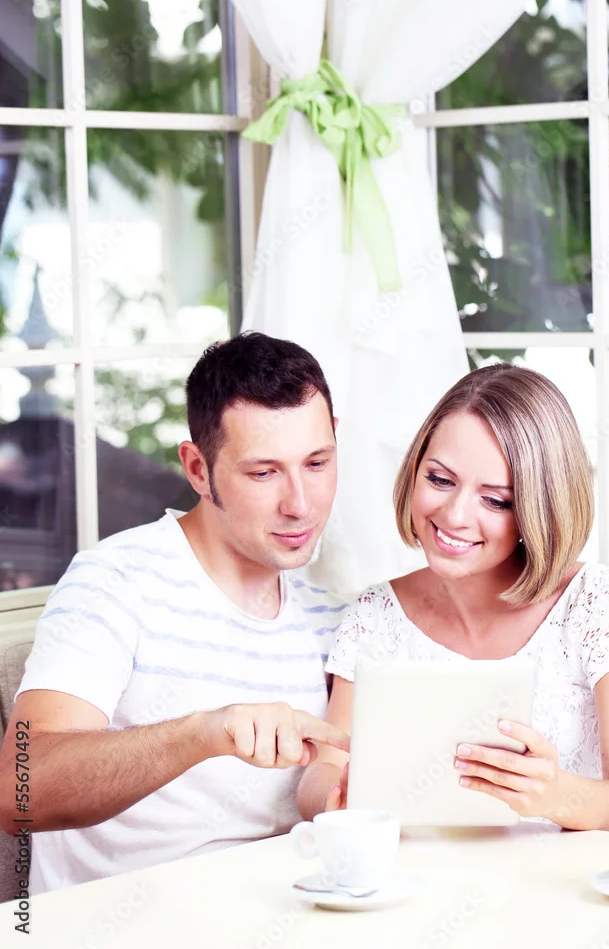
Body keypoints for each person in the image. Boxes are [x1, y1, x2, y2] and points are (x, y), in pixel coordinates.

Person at [0, 333, 350, 893]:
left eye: (317, 463)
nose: (300, 504)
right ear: (197, 469)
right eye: (263, 473)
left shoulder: (331, 617)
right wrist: (201, 734)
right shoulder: (114, 582)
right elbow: (20, 789)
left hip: (281, 914)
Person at [298, 363, 609, 829]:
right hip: (424, 871)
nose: (454, 515)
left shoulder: (601, 606)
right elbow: (324, 769)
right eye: (439, 479)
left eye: (495, 500)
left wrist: (554, 795)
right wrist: (334, 799)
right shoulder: (376, 615)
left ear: (539, 509)